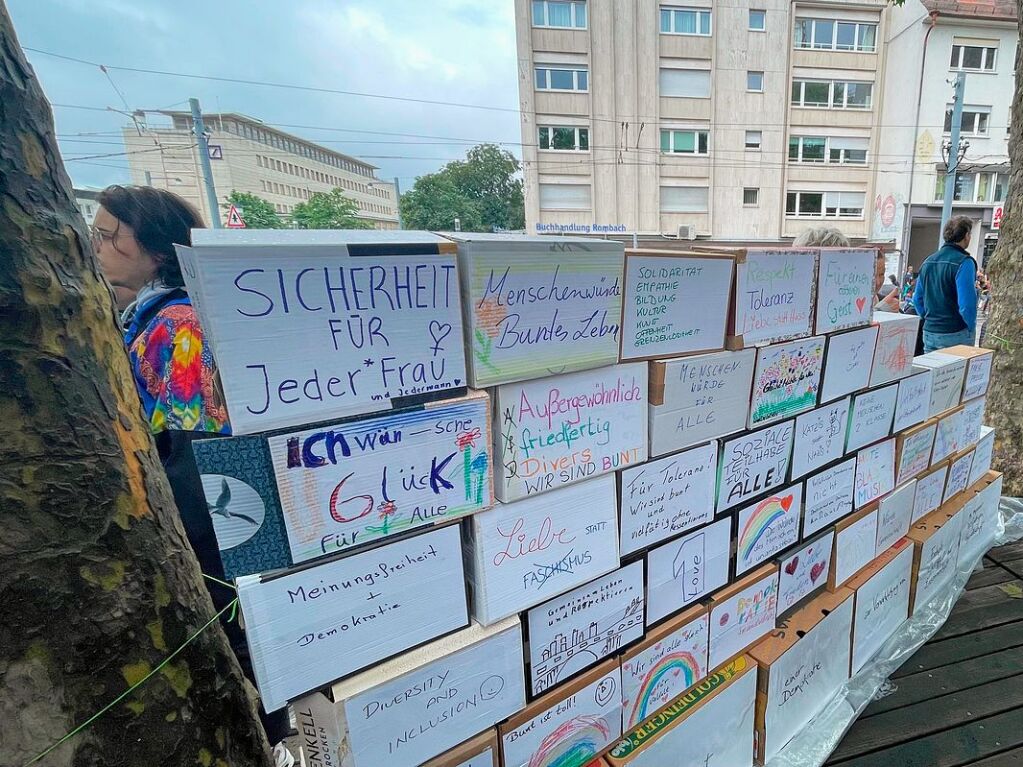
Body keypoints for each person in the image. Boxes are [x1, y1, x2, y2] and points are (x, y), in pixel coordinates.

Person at [92, 186, 294, 765]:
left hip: (212, 522)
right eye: (97, 232)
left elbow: (196, 448)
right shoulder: (142, 316)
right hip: (210, 516)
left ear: (157, 251)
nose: (97, 246)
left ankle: (270, 737)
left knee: (242, 640)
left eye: (111, 236)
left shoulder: (177, 325)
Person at [913, 215, 978, 352]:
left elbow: (917, 299)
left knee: (933, 371)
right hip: (956, 331)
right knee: (958, 372)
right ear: (966, 235)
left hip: (930, 331)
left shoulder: (927, 262)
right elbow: (967, 305)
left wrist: (929, 318)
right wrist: (970, 326)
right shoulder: (965, 262)